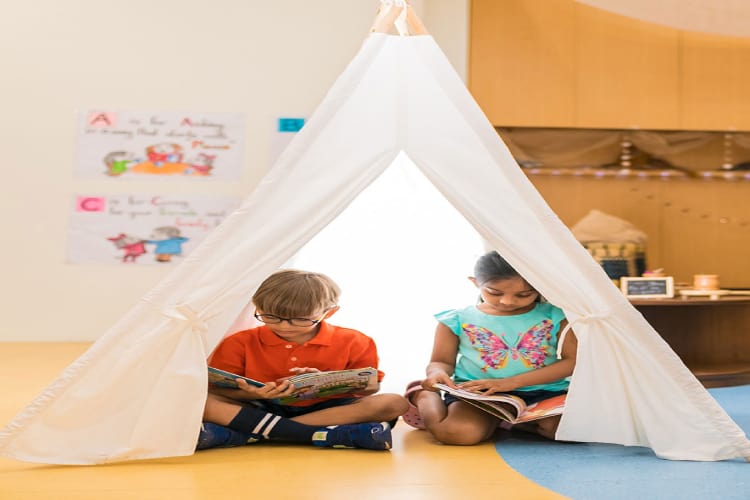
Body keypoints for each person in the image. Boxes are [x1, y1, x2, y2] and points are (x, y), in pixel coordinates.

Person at [198, 269, 409, 451]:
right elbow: (217, 388)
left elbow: (370, 389)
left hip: (328, 410)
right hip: (261, 406)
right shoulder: (239, 342)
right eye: (270, 317)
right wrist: (249, 393)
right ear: (256, 306)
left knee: (394, 402)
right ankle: (320, 435)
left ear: (329, 313)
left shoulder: (355, 340)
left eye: (300, 320)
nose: (284, 326)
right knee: (202, 402)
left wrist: (328, 383)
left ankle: (252, 433)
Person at [401, 251, 577, 445]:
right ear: (475, 282)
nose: (507, 301)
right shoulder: (457, 319)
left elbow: (571, 362)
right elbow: (441, 362)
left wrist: (510, 383)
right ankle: (424, 396)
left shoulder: (557, 315)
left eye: (524, 294)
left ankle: (509, 422)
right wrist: (436, 373)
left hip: (545, 392)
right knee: (459, 434)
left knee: (573, 432)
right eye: (494, 292)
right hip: (479, 393)